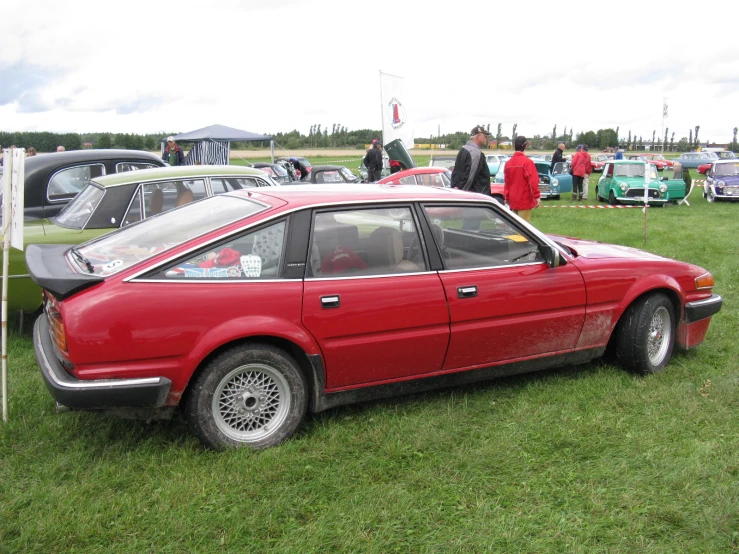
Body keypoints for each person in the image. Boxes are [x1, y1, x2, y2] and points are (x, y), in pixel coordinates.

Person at [503, 136, 540, 222]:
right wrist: (537, 196)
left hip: (513, 200)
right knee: (524, 229)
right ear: (525, 146)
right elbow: (532, 182)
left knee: (516, 227)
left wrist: (507, 197)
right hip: (524, 200)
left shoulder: (508, 163)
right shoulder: (528, 162)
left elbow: (507, 183)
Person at [450, 125, 492, 194]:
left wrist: (455, 189)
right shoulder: (475, 153)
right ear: (478, 136)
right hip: (474, 196)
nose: (486, 139)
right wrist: (462, 194)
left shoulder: (463, 149)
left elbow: (455, 173)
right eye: (485, 136)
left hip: (459, 191)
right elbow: (469, 178)